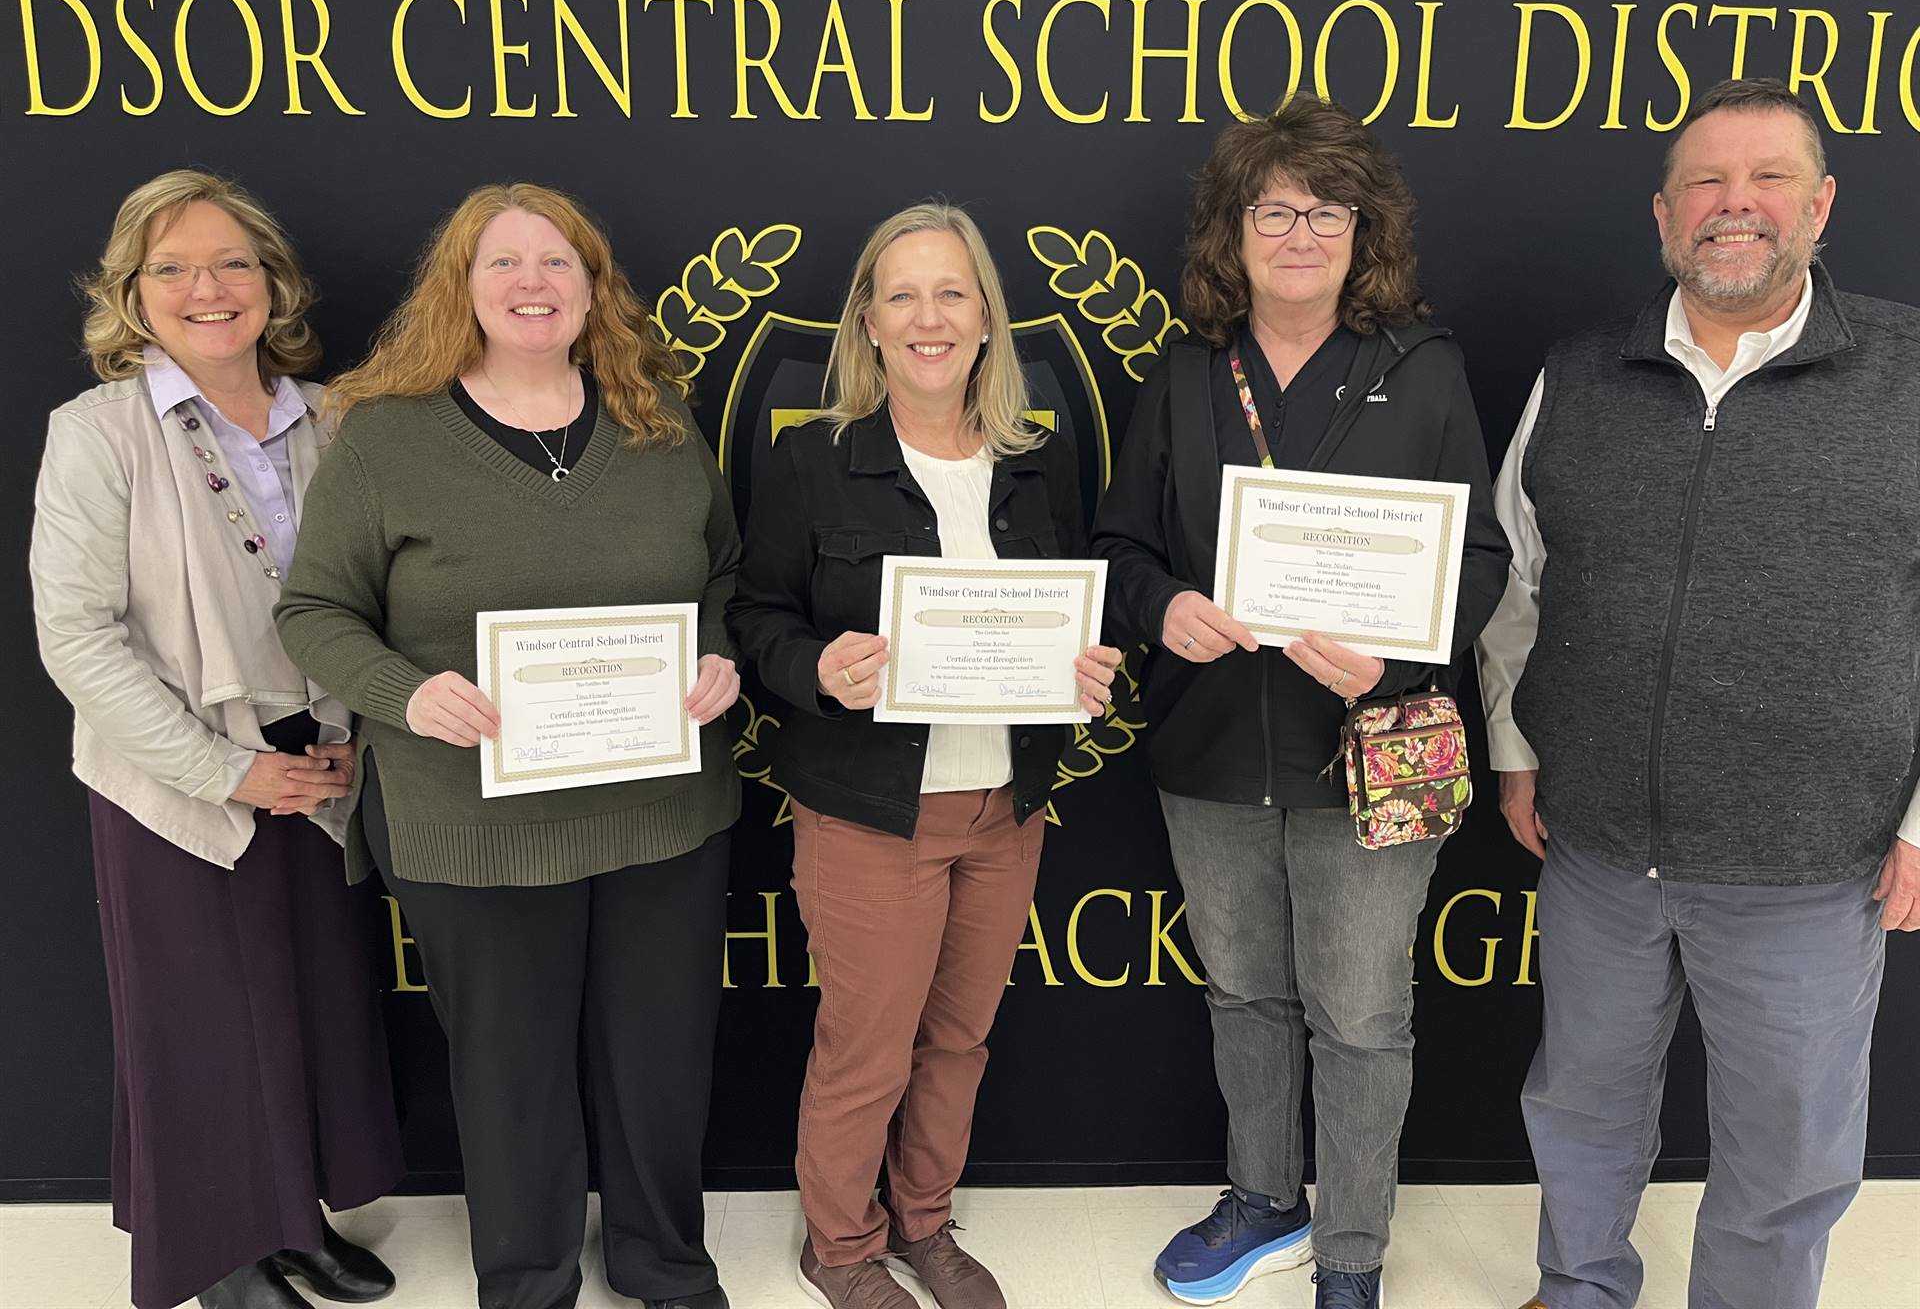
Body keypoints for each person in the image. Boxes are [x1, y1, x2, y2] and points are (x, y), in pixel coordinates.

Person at [1476, 76, 1920, 1309]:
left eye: (1767, 178)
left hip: (1806, 865)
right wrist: (1516, 749)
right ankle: (1580, 1291)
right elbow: (1521, 581)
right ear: (1662, 215)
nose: (1736, 206)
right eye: (1706, 185)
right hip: (1602, 847)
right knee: (1581, 1107)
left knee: (1786, 1156)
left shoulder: (1911, 376)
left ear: (1821, 203)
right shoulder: (1578, 375)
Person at [273, 183, 741, 1309]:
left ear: (593, 290)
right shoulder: (388, 436)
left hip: (659, 810)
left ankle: (663, 1264)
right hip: (469, 818)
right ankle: (527, 1280)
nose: (533, 283)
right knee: (509, 1069)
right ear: (464, 289)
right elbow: (312, 612)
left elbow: (721, 573)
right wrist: (405, 691)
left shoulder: (659, 423)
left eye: (558, 263)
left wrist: (716, 659)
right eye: (504, 264)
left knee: (658, 1058)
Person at [1090, 97, 1510, 1309]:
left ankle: (1354, 1256)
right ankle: (1265, 1200)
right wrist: (1159, 605)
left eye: (1329, 210)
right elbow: (1119, 543)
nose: (1301, 232)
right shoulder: (1183, 370)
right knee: (1246, 995)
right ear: (1234, 229)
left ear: (1365, 230)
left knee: (1365, 1018)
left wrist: (1395, 660)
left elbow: (1481, 563)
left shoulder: (1423, 369)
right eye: (1275, 208)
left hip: (1369, 745)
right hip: (1212, 744)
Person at [728, 202, 1122, 1309]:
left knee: (958, 1040)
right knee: (868, 1048)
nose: (929, 316)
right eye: (902, 294)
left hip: (1005, 806)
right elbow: (755, 618)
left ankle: (926, 1223)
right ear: (867, 320)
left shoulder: (1036, 466)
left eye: (952, 292)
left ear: (989, 318)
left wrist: (1081, 673)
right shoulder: (810, 460)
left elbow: (1062, 618)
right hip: (867, 810)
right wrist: (817, 668)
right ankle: (842, 1248)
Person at [29, 170, 403, 1309]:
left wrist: (349, 744)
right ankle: (221, 1253)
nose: (208, 288)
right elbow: (76, 640)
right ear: (132, 295)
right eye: (173, 268)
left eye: (232, 262)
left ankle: (292, 1220)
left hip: (318, 761)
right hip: (179, 777)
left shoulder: (332, 419)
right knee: (197, 1014)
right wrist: (228, 770)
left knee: (307, 1003)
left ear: (272, 282)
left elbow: (373, 596)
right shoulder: (97, 433)